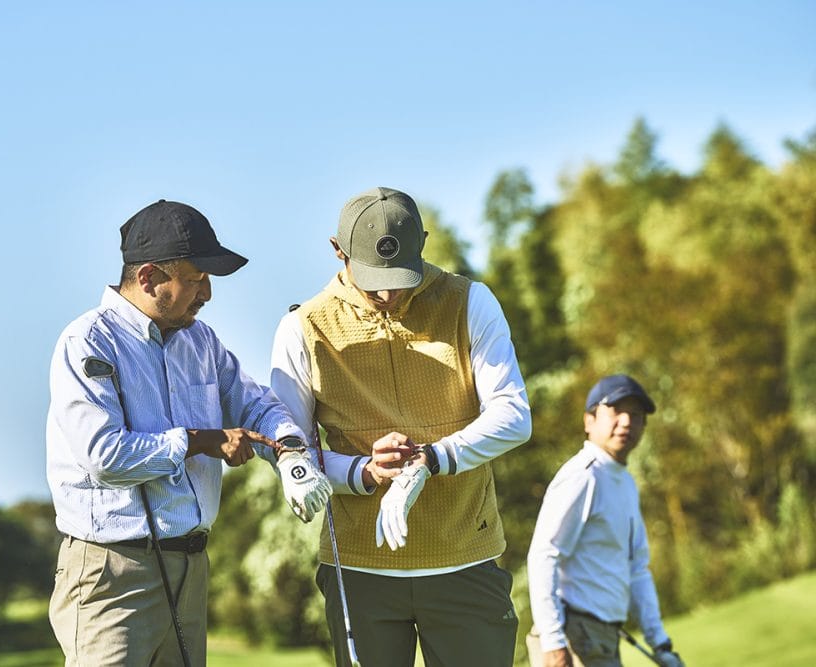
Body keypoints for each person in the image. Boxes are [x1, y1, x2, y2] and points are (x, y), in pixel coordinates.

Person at [46, 199, 332, 667]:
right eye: (197, 279)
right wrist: (199, 441)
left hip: (191, 568)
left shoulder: (202, 341)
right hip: (112, 574)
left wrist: (291, 453)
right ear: (150, 278)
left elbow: (255, 402)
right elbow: (103, 455)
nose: (208, 294)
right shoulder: (88, 342)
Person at [270, 186, 532, 667]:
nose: (387, 293)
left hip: (464, 559)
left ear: (424, 244)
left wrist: (431, 460)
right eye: (373, 279)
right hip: (359, 569)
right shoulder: (302, 327)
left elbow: (513, 417)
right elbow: (290, 454)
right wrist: (365, 472)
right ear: (337, 251)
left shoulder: (470, 301)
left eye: (399, 276)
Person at [526, 374, 684, 667]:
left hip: (601, 637)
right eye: (615, 411)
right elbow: (543, 555)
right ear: (589, 421)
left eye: (636, 415)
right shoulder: (583, 476)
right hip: (573, 637)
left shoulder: (624, 481)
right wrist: (553, 642)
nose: (626, 422)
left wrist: (660, 642)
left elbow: (637, 569)